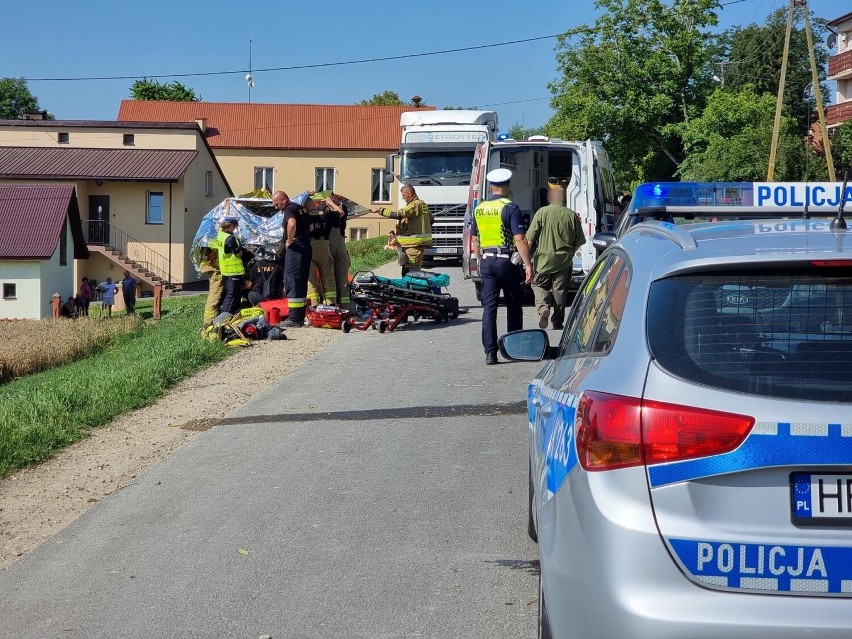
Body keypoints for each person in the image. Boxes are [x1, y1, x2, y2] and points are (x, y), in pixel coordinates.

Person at [471, 168, 534, 365]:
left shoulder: (479, 208)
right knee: (514, 305)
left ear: (490, 187)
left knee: (489, 308)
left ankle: (490, 353)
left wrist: (480, 260)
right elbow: (519, 238)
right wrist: (528, 264)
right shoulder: (510, 207)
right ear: (507, 186)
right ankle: (514, 348)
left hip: (487, 262)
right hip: (506, 262)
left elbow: (475, 239)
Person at [527, 182, 586, 331]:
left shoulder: (542, 212)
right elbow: (579, 241)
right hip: (564, 259)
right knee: (559, 291)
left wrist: (525, 259)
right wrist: (571, 253)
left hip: (544, 259)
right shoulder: (571, 215)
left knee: (537, 284)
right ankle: (558, 322)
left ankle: (543, 307)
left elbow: (530, 238)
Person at [372, 184, 432, 276]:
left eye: (404, 195)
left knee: (411, 273)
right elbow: (431, 220)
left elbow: (400, 214)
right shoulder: (422, 204)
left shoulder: (414, 205)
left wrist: (380, 210)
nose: (402, 198)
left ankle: (411, 290)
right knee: (410, 272)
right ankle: (408, 290)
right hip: (414, 245)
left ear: (410, 193)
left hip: (413, 246)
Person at [273, 190, 312, 328]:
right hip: (306, 248)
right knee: (301, 282)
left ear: (284, 199)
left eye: (277, 204)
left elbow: (292, 223)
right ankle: (299, 317)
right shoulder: (300, 208)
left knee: (292, 280)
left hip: (295, 250)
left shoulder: (289, 209)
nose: (276, 207)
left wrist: (289, 240)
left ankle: (294, 319)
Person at [306, 198, 338, 306]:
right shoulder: (326, 214)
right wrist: (330, 203)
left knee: (311, 278)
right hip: (324, 245)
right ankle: (331, 303)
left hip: (310, 246)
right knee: (328, 276)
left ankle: (313, 304)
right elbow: (340, 213)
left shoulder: (304, 216)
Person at [215, 215, 246, 315]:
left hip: (226, 271)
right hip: (234, 271)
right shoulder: (230, 239)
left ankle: (233, 314)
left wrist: (227, 208)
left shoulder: (220, 233)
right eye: (235, 225)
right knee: (232, 296)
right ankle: (223, 318)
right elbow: (239, 254)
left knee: (234, 295)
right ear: (230, 225)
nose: (236, 228)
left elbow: (220, 225)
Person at [324, 195, 351, 307]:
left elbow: (340, 212)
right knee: (340, 275)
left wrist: (330, 203)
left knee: (333, 275)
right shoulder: (341, 207)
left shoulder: (333, 209)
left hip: (331, 243)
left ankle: (333, 304)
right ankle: (343, 305)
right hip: (339, 242)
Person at [199, 242, 224, 324]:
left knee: (218, 296)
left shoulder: (211, 235)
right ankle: (209, 323)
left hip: (216, 268)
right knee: (214, 297)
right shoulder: (215, 237)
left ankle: (213, 320)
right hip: (216, 269)